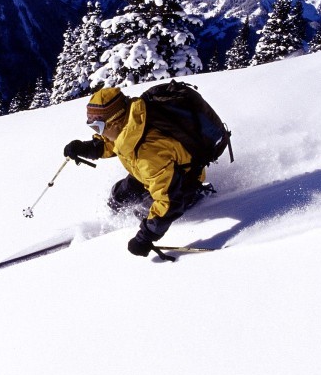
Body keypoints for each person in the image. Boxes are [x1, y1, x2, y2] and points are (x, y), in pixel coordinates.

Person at [64, 87, 213, 258]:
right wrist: (86, 148)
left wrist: (145, 237)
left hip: (181, 180)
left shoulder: (149, 152)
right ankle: (114, 221)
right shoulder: (129, 124)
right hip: (147, 175)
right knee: (118, 197)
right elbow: (114, 143)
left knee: (145, 212)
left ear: (115, 121)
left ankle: (198, 194)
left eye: (97, 127)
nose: (96, 132)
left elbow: (169, 200)